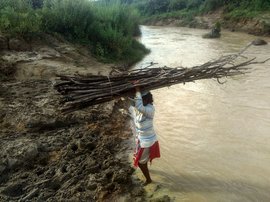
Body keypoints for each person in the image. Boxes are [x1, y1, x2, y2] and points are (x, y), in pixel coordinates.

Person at [129, 86, 160, 186]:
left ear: (147, 99)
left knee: (141, 163)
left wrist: (138, 89)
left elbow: (139, 106)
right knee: (142, 160)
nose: (139, 101)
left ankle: (149, 180)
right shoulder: (140, 108)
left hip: (148, 141)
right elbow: (133, 103)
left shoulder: (150, 109)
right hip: (141, 139)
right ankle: (147, 172)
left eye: (141, 99)